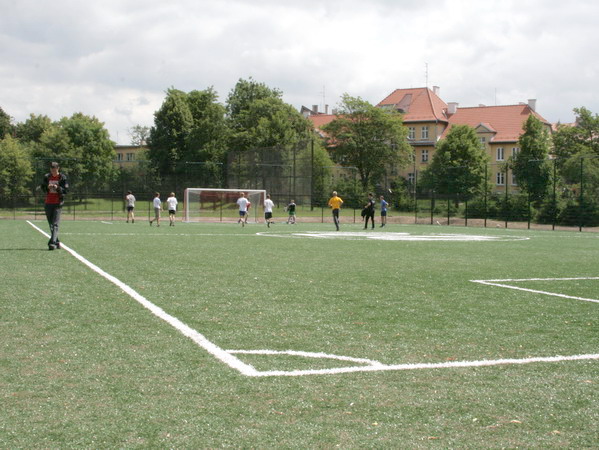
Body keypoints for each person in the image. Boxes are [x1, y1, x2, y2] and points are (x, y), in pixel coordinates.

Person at [41, 162, 69, 250]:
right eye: (52, 169)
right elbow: (43, 187)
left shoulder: (62, 177)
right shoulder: (47, 177)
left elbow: (66, 190)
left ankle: (52, 243)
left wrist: (58, 188)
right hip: (48, 202)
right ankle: (56, 241)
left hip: (58, 203)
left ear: (58, 169)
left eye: (55, 169)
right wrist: (47, 187)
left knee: (55, 224)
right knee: (51, 224)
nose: (53, 171)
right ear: (50, 169)